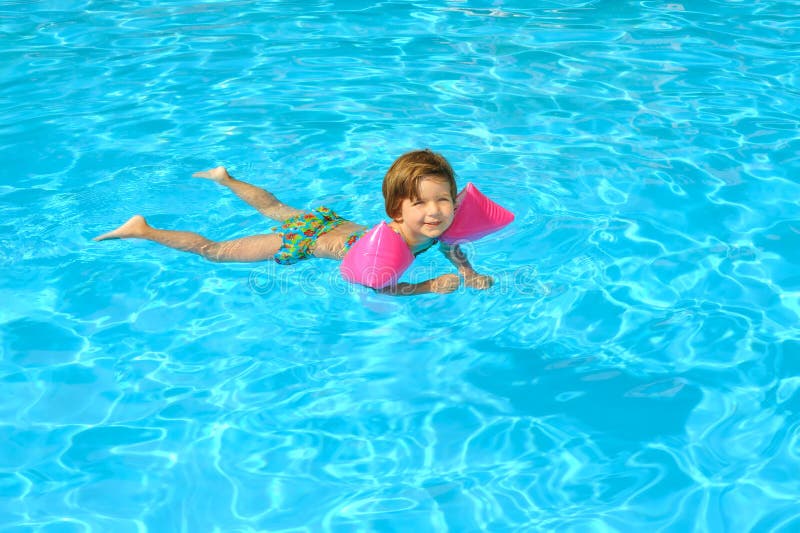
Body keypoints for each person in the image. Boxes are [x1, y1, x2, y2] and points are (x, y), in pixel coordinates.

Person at [94, 149, 494, 295]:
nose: (436, 212)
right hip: (301, 243)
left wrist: (469, 272)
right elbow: (379, 285)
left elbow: (450, 245)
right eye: (421, 204)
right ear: (396, 212)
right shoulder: (392, 242)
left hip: (329, 221)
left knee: (276, 207)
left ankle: (225, 178)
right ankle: (142, 229)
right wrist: (426, 287)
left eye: (444, 200)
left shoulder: (434, 229)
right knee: (214, 253)